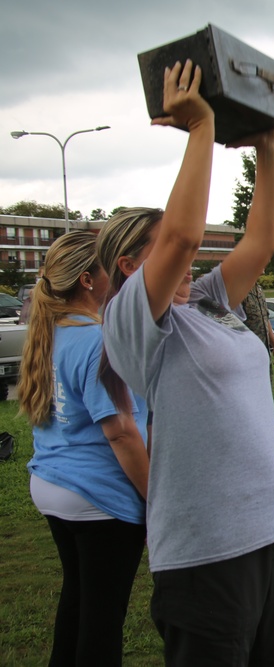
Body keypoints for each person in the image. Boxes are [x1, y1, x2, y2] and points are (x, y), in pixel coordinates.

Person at [98, 60, 274, 665]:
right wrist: (201, 128)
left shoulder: (208, 301)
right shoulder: (132, 320)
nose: (186, 259)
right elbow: (183, 236)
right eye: (163, 251)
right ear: (130, 266)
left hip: (270, 528)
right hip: (207, 550)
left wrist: (269, 147)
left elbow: (261, 242)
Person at [17, 231, 149, 666]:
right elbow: (121, 433)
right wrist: (155, 498)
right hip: (98, 497)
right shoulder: (96, 340)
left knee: (77, 603)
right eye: (109, 266)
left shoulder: (51, 330)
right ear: (88, 280)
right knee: (102, 620)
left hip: (53, 485)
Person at [241, 280, 274, 382]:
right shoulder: (239, 291)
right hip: (247, 353)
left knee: (267, 384)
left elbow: (266, 319)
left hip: (264, 351)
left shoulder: (259, 289)